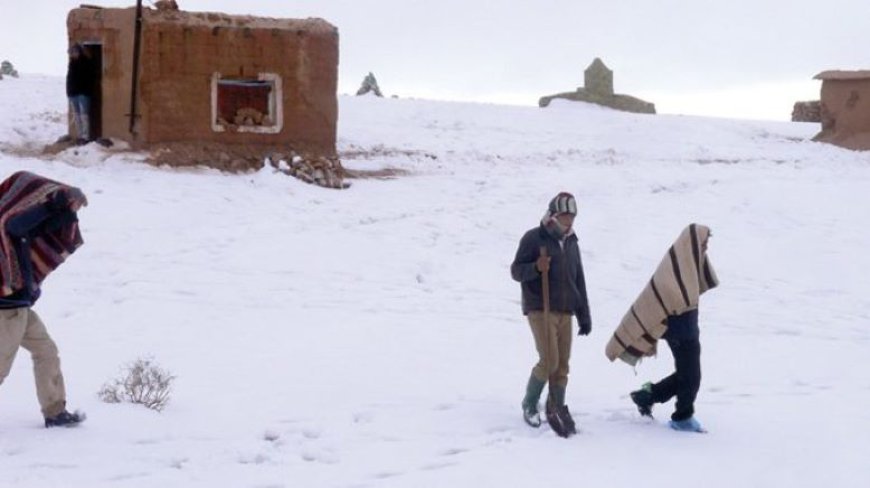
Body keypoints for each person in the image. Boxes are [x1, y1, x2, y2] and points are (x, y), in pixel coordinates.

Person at [604, 224, 719, 432]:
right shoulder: (677, 265)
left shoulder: (690, 262)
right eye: (703, 243)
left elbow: (692, 290)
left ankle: (646, 396)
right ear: (692, 243)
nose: (705, 248)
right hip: (679, 332)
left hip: (689, 330)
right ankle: (682, 417)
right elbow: (670, 296)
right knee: (692, 377)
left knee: (687, 375)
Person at [0, 171, 88, 428]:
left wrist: (69, 207)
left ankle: (55, 412)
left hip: (20, 307)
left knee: (46, 351)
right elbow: (16, 224)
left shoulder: (21, 227)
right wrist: (56, 202)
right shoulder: (8, 222)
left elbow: (44, 225)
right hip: (6, 309)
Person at [510, 192, 592, 435]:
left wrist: (584, 314)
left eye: (572, 217)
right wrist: (536, 267)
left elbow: (578, 279)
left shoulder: (571, 242)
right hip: (540, 308)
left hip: (565, 310)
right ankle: (529, 403)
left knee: (562, 364)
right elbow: (516, 271)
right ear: (554, 216)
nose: (570, 222)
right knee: (549, 361)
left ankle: (555, 404)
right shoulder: (535, 238)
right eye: (566, 216)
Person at [66, 43, 95, 144]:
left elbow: (89, 78)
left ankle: (85, 136)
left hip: (83, 93)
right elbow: (69, 79)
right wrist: (69, 92)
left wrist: (87, 90)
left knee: (84, 115)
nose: (72, 55)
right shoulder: (72, 64)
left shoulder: (86, 63)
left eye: (73, 52)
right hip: (73, 94)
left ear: (78, 52)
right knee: (77, 115)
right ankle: (79, 135)